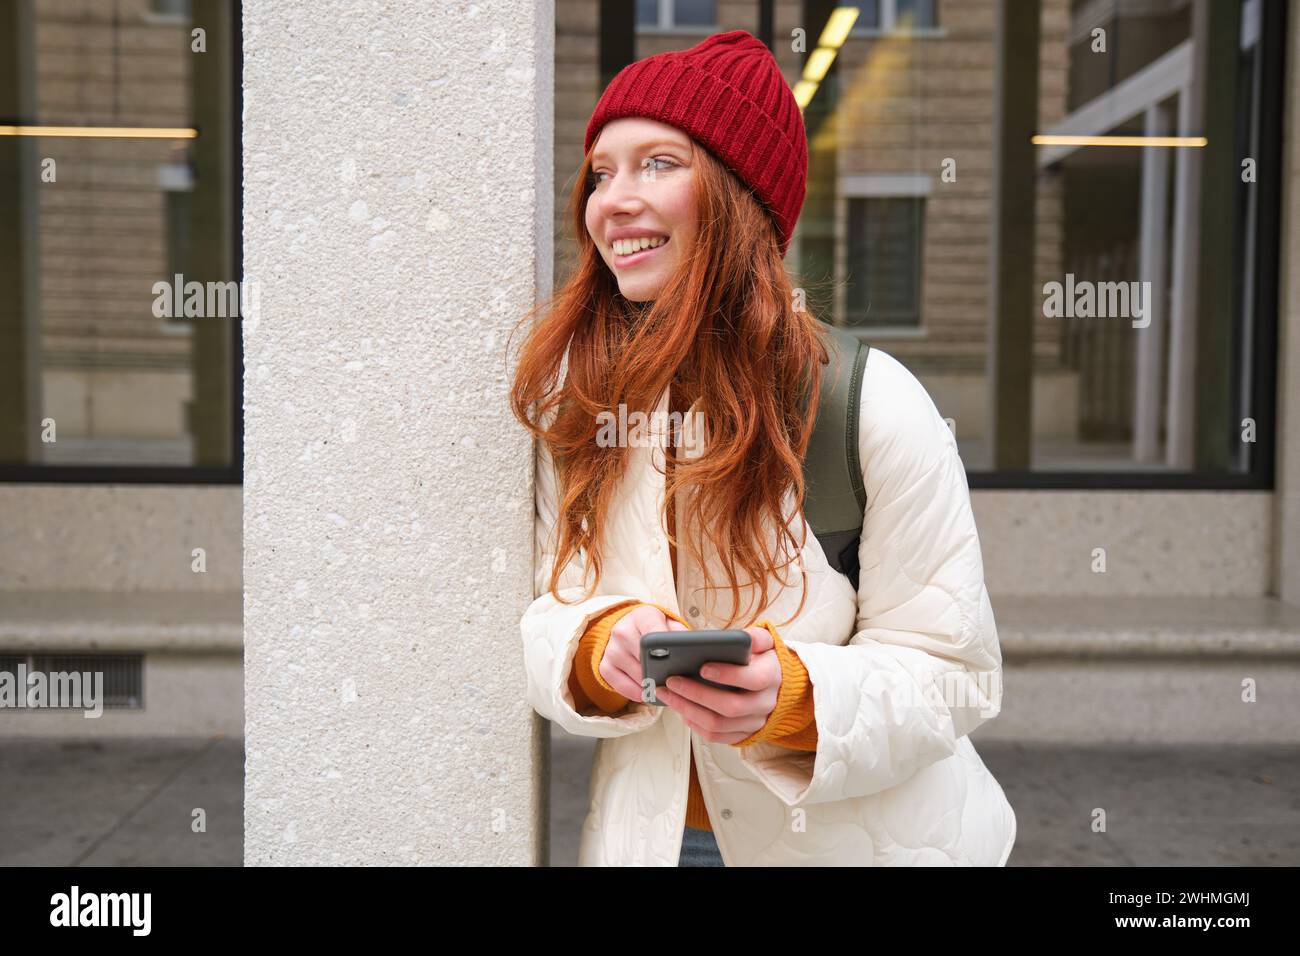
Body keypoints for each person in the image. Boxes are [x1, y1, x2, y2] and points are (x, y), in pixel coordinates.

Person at [509, 29, 1016, 867]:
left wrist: (795, 699)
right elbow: (542, 617)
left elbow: (955, 675)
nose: (611, 201)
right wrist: (601, 652)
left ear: (741, 198)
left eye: (659, 164)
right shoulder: (583, 404)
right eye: (602, 173)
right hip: (654, 839)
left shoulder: (870, 401)